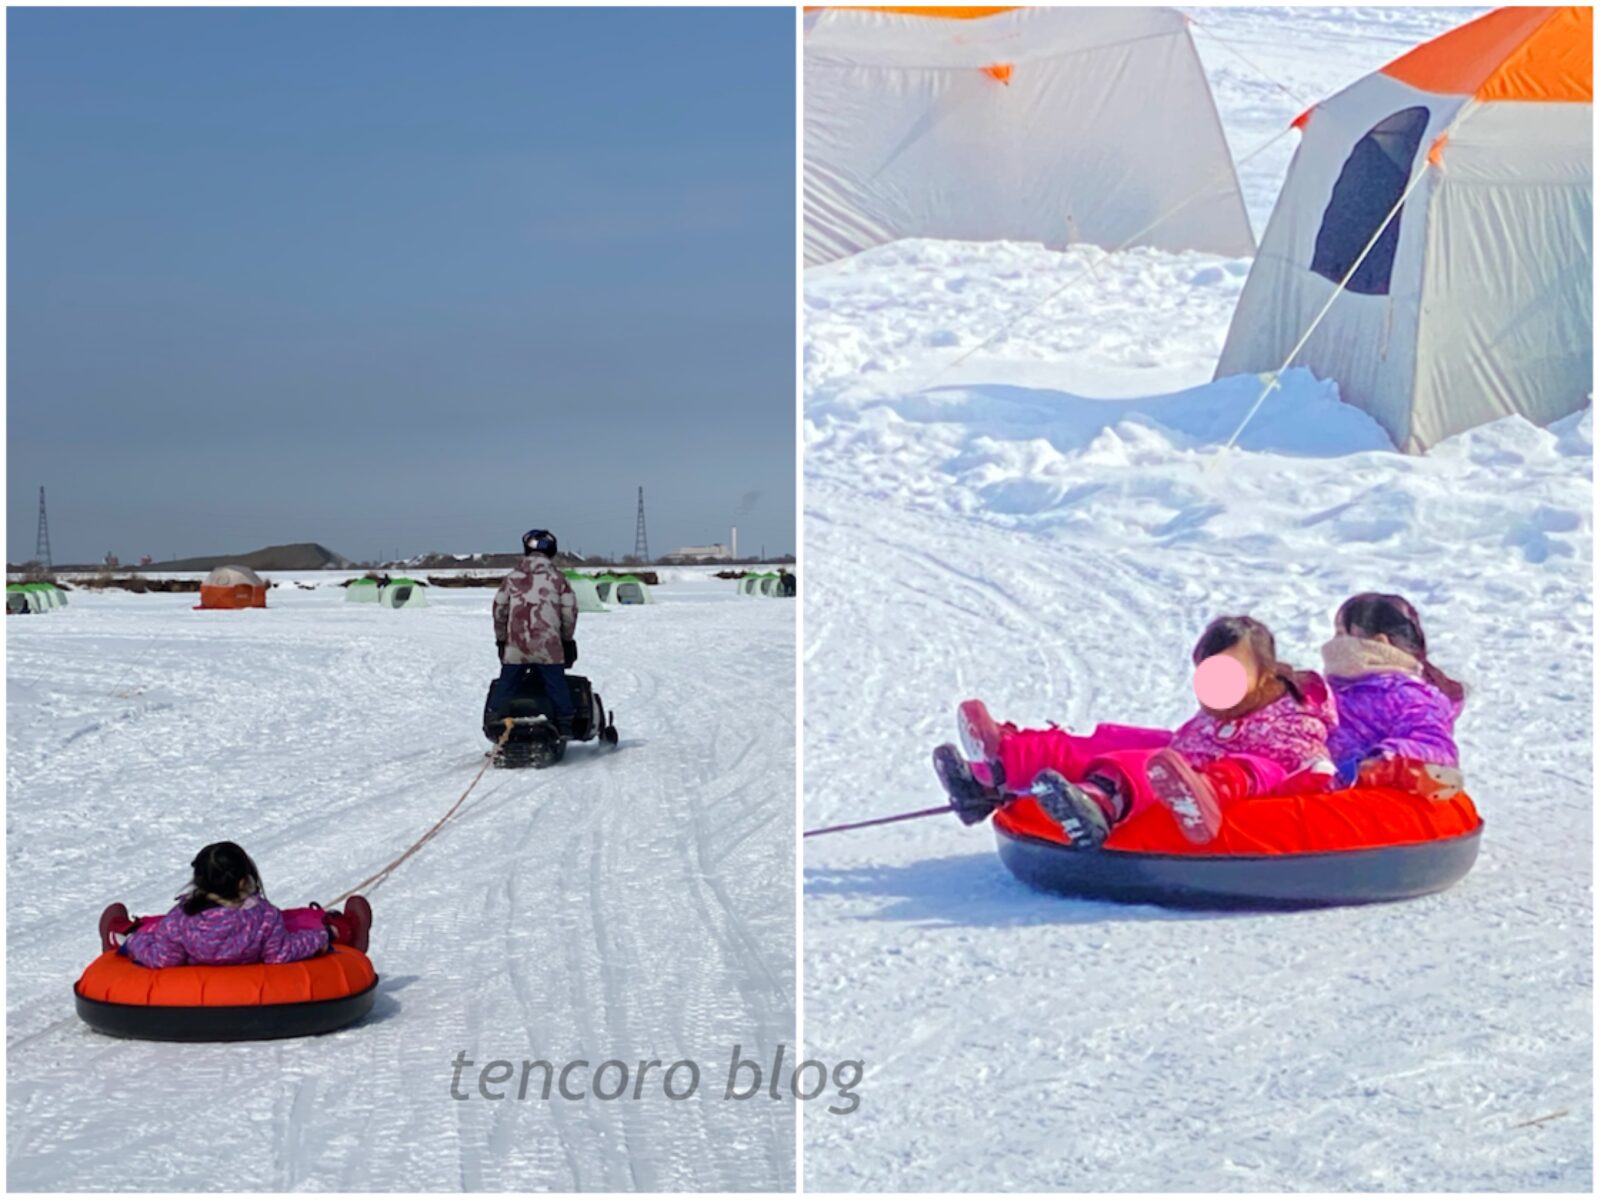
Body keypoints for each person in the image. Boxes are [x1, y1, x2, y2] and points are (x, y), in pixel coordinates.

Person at [934, 615, 1338, 847]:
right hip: (1194, 754)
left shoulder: (1293, 715)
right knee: (1112, 740)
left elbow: (1306, 768)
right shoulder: (1223, 709)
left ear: (1265, 673)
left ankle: (1099, 802)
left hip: (1248, 775)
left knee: (1145, 763)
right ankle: (999, 765)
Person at [97, 841, 371, 966]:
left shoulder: (181, 920)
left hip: (191, 952)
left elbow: (165, 957)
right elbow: (280, 954)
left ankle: (122, 935)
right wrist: (321, 938)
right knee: (300, 922)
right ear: (243, 882)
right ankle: (341, 929)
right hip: (254, 949)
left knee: (153, 931)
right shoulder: (264, 917)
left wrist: (134, 944)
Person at [1323, 592, 1465, 800]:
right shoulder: (1331, 691)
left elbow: (1434, 744)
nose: (1331, 646)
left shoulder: (1407, 694)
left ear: (1378, 642)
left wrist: (1381, 762)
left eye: (1342, 635)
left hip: (1370, 799)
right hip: (1323, 786)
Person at [490, 528, 579, 729]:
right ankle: (564, 723)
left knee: (507, 683)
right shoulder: (559, 579)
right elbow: (569, 612)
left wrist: (501, 639)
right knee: (556, 684)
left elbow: (499, 609)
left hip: (516, 644)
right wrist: (566, 639)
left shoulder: (512, 578)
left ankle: (494, 718)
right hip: (548, 643)